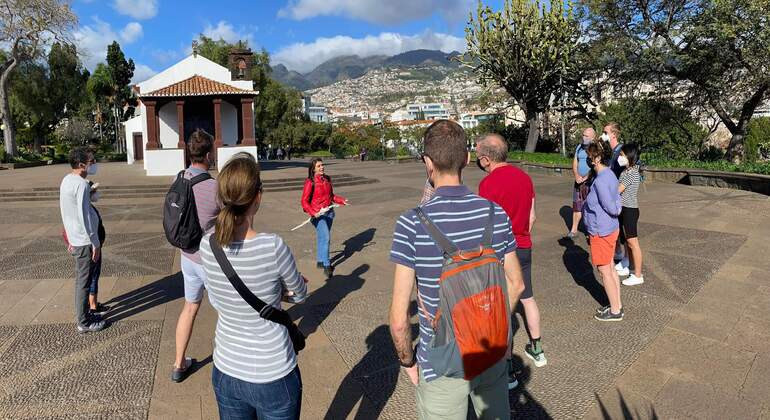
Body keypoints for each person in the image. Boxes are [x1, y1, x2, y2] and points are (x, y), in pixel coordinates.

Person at [389, 120, 525, 419]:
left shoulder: (411, 224)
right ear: (466, 159)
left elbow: (400, 321)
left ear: (427, 162)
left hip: (440, 362)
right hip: (489, 350)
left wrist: (409, 362)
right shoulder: (495, 213)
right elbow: (515, 285)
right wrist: (497, 331)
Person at [199, 156, 307, 419]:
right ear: (257, 197)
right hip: (273, 372)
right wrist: (281, 293)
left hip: (226, 368)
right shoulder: (272, 246)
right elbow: (300, 295)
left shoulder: (208, 245)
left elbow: (216, 297)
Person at [476, 133, 546, 368]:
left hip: (500, 252)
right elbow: (531, 217)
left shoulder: (487, 184)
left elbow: (484, 226)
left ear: (486, 159)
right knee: (528, 298)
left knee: (501, 308)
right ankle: (537, 348)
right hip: (524, 246)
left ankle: (506, 368)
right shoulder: (525, 178)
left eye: (478, 157)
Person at [172, 130, 221, 383]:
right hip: (210, 260)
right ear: (209, 154)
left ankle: (179, 363)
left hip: (186, 256)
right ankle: (230, 362)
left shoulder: (179, 178)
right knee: (225, 311)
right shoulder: (214, 187)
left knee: (189, 307)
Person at [59, 147, 106, 333]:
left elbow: (66, 210)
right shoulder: (79, 184)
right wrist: (94, 242)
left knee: (83, 279)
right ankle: (83, 322)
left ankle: (86, 314)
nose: (93, 164)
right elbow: (84, 216)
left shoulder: (68, 180)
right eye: (91, 161)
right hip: (84, 241)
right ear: (81, 165)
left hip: (76, 238)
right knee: (83, 281)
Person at [582, 141, 624, 321]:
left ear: (597, 158)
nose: (587, 160)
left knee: (605, 271)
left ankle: (615, 310)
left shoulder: (600, 181)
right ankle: (617, 305)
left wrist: (616, 209)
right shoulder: (610, 174)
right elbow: (616, 200)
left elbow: (612, 206)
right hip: (609, 228)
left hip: (601, 231)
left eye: (589, 157)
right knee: (611, 268)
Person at [301, 158, 349, 278]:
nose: (322, 167)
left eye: (322, 165)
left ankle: (320, 261)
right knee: (326, 237)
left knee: (322, 237)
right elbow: (304, 201)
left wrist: (342, 200)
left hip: (329, 212)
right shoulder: (310, 182)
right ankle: (327, 265)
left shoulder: (327, 179)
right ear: (313, 169)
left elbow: (331, 196)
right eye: (318, 166)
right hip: (318, 215)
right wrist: (313, 212)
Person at [617, 144, 644, 286]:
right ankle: (629, 267)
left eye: (622, 155)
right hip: (624, 209)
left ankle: (638, 275)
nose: (620, 157)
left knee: (633, 243)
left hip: (630, 210)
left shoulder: (631, 173)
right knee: (628, 241)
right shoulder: (625, 171)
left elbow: (617, 189)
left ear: (630, 156)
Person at [568, 128, 595, 238]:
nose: (584, 138)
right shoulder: (579, 147)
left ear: (593, 137)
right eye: (583, 135)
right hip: (578, 182)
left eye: (587, 136)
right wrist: (577, 176)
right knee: (576, 206)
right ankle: (573, 230)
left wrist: (585, 177)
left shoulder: (595, 149)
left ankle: (590, 231)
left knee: (590, 207)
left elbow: (595, 166)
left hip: (590, 182)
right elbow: (575, 163)